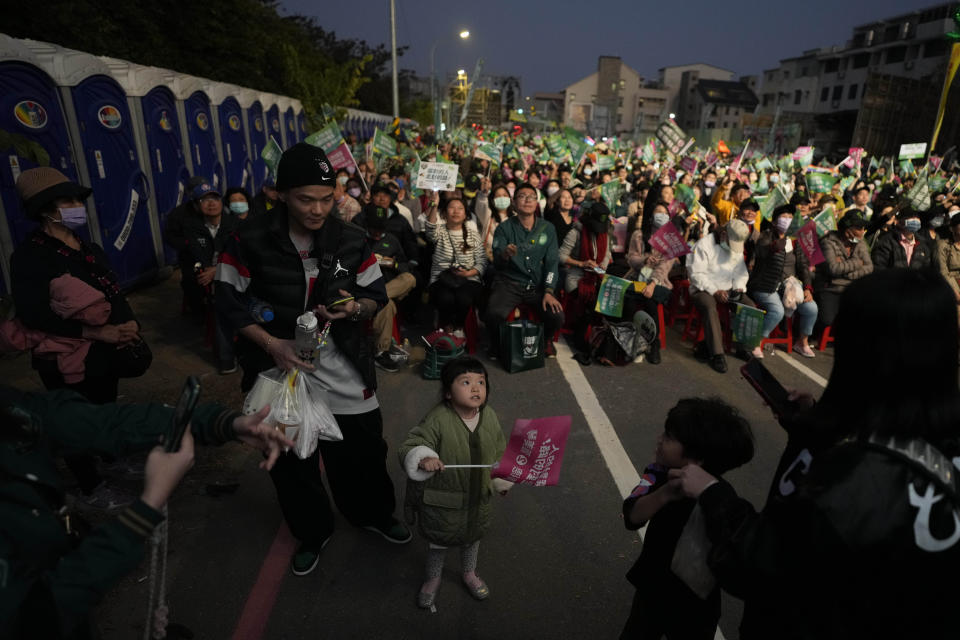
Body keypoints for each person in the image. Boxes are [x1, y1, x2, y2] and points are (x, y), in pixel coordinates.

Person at [670, 268, 960, 639]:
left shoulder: (849, 480)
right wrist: (814, 425)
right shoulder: (936, 443)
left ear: (863, 353)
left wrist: (714, 495)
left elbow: (762, 566)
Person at [215, 142, 411, 576]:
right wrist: (272, 345)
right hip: (278, 367)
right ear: (280, 194)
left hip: (343, 365)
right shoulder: (246, 239)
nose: (318, 209)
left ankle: (373, 515)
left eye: (327, 198)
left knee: (363, 450)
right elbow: (228, 303)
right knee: (292, 461)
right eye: (306, 199)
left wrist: (354, 309)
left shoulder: (351, 239)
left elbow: (375, 295)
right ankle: (312, 531)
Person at [0, 385, 293, 639]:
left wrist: (222, 423)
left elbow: (99, 422)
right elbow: (37, 618)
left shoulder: (10, 407)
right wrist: (145, 508)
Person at [10, 167, 145, 508]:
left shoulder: (88, 247)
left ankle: (111, 457)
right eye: (66, 200)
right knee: (73, 421)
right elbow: (34, 315)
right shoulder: (30, 257)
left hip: (105, 350)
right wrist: (96, 331)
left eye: (77, 199)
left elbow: (112, 291)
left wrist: (129, 323)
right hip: (64, 355)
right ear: (44, 209)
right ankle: (91, 486)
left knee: (104, 408)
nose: (77, 206)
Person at [620, 398, 754, 640]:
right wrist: (665, 494)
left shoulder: (719, 497)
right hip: (653, 588)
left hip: (696, 603)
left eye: (669, 437)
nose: (660, 438)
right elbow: (632, 516)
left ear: (697, 459)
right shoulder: (658, 474)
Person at [398, 357, 511, 608]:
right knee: (438, 546)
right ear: (448, 393)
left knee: (472, 541)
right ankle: (433, 578)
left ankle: (469, 573)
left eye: (481, 382)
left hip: (477, 500)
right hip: (443, 506)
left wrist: (500, 478)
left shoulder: (489, 416)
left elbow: (499, 450)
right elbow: (412, 444)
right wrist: (424, 456)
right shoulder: (437, 419)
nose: (475, 388)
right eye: (466, 382)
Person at [485, 183, 564, 359]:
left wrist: (549, 290)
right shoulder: (504, 228)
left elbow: (552, 263)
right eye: (522, 196)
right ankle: (497, 345)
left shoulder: (548, 229)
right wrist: (505, 255)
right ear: (514, 202)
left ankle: (546, 341)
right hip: (509, 283)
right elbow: (496, 263)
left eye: (531, 197)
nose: (527, 200)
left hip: (536, 285)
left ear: (537, 202)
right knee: (493, 314)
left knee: (557, 316)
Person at [179, 181, 241, 373]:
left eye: (215, 198)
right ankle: (226, 359)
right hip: (212, 279)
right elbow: (199, 257)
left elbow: (242, 256)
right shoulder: (192, 227)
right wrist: (214, 272)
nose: (211, 203)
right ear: (197, 206)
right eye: (204, 200)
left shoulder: (235, 224)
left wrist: (217, 270)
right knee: (219, 302)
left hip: (239, 274)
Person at [747, 205, 818, 358]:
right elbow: (763, 252)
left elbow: (803, 266)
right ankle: (756, 342)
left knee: (811, 309)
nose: (787, 221)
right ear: (774, 222)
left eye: (790, 218)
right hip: (765, 285)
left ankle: (802, 342)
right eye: (783, 218)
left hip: (789, 286)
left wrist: (807, 287)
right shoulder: (765, 237)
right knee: (777, 311)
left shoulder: (796, 241)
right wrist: (781, 241)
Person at [688, 219, 752, 373]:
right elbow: (696, 274)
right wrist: (714, 291)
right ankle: (717, 354)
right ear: (724, 234)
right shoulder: (704, 245)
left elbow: (741, 272)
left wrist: (739, 288)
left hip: (729, 289)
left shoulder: (735, 247)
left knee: (750, 307)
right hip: (703, 288)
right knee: (710, 307)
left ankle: (742, 347)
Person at [364, 205, 417, 372]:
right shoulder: (359, 239)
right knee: (386, 305)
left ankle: (379, 296)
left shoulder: (392, 240)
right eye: (374, 229)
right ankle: (381, 351)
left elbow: (404, 266)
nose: (378, 233)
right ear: (367, 225)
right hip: (365, 285)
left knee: (409, 279)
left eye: (381, 229)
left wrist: (393, 263)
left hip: (389, 284)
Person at [424, 195, 487, 335]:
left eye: (460, 208)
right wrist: (434, 205)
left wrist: (469, 273)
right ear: (445, 214)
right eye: (451, 208)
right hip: (441, 279)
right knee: (445, 298)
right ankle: (447, 327)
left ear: (466, 214)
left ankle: (459, 326)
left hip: (469, 279)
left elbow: (482, 261)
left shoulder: (473, 235)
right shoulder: (439, 231)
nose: (456, 211)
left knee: (464, 298)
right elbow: (429, 229)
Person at [814, 210, 873, 328]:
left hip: (853, 288)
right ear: (847, 231)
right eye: (859, 228)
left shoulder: (860, 242)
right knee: (827, 320)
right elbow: (833, 268)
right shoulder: (828, 242)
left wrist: (848, 274)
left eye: (863, 228)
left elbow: (869, 267)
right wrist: (857, 263)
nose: (863, 231)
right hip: (831, 288)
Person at [870, 208, 934, 272]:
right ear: (899, 222)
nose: (915, 220)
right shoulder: (887, 241)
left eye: (917, 217)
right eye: (911, 217)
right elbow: (879, 267)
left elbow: (925, 270)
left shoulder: (922, 245)